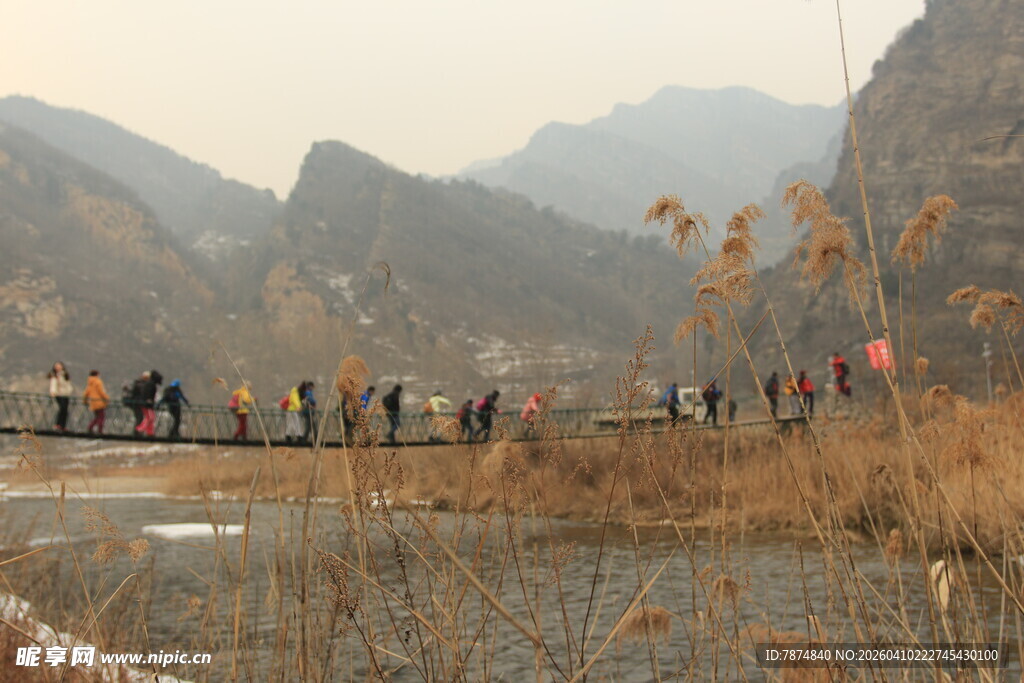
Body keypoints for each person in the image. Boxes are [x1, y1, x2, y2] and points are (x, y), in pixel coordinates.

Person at [136, 370, 163, 437]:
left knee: (151, 417)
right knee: (150, 417)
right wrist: (148, 400)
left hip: (146, 404)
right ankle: (140, 429)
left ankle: (149, 432)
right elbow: (148, 394)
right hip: (147, 405)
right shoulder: (151, 384)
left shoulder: (149, 383)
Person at [48, 362, 73, 432]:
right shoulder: (55, 376)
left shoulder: (64, 375)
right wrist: (53, 392)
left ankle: (63, 425)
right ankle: (58, 424)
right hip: (59, 394)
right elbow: (53, 384)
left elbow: (68, 384)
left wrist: (70, 390)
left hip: (66, 394)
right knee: (62, 409)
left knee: (65, 411)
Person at [82, 369, 109, 434]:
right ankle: (99, 430)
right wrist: (106, 398)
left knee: (97, 417)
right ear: (97, 375)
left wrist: (85, 401)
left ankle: (90, 427)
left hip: (93, 402)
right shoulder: (98, 382)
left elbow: (86, 393)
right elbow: (101, 392)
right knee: (101, 417)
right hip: (99, 402)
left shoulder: (89, 383)